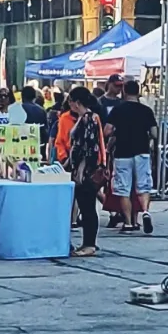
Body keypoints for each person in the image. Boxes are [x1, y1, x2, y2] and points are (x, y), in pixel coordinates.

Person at [106, 78, 157, 234]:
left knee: (124, 189)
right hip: (142, 151)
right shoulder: (146, 110)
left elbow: (107, 131)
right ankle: (146, 212)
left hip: (123, 152)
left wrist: (116, 132)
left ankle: (128, 223)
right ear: (138, 92)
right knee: (143, 185)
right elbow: (154, 133)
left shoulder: (118, 110)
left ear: (124, 91)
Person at [65, 86, 107, 257]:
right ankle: (87, 243)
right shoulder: (87, 118)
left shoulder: (89, 118)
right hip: (81, 168)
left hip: (86, 170)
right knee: (85, 206)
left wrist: (81, 169)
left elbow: (89, 147)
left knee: (87, 206)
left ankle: (89, 244)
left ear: (77, 103)